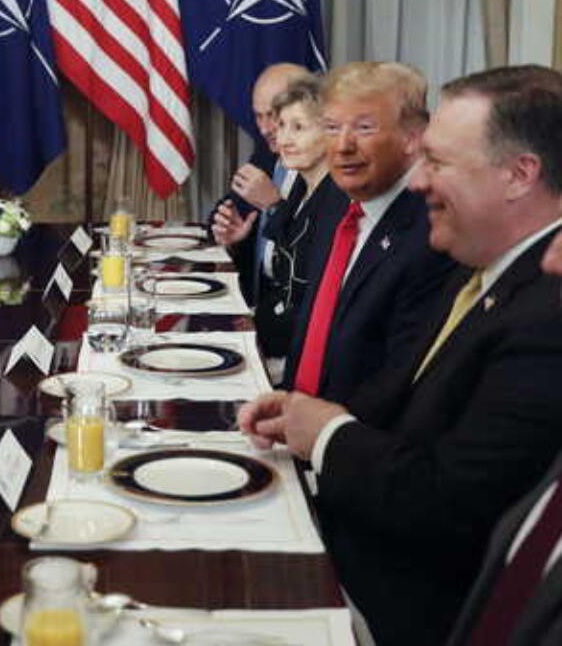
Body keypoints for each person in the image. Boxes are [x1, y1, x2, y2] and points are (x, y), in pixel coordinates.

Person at [240, 64, 562, 646]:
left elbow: (451, 504)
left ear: (520, 175)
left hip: (392, 604)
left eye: (438, 163)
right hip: (357, 535)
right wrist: (298, 416)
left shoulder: (547, 313)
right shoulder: (480, 271)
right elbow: (402, 397)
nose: (418, 182)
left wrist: (329, 434)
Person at [280, 61, 454, 402]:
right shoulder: (335, 195)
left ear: (413, 138)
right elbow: (313, 322)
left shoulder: (435, 231)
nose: (343, 146)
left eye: (364, 128)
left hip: (356, 438)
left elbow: (401, 378)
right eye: (331, 127)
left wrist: (324, 434)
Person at [213, 76, 338, 368]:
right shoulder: (300, 187)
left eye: (298, 128)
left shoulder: (337, 199)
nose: (282, 139)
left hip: (293, 357)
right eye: (282, 126)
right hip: (269, 334)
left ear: (330, 131)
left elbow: (305, 294)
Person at [212, 63, 314, 303]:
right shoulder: (267, 155)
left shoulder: (326, 175)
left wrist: (274, 205)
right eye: (259, 116)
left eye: (273, 116)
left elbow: (308, 261)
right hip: (256, 308)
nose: (265, 129)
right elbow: (221, 217)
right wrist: (233, 239)